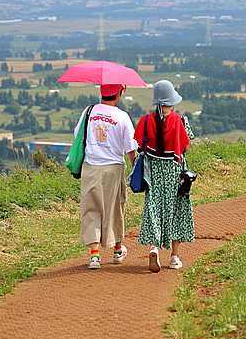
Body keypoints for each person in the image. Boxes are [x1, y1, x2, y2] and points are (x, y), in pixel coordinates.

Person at [134, 80, 195, 273]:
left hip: (153, 174)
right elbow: (186, 146)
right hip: (174, 174)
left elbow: (139, 146)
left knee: (153, 209)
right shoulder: (180, 120)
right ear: (171, 101)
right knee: (176, 211)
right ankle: (174, 258)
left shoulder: (145, 121)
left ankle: (153, 248)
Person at [75, 83, 138, 269]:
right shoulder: (122, 116)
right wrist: (135, 168)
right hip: (114, 168)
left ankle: (94, 256)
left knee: (91, 208)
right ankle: (117, 251)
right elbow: (130, 147)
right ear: (119, 94)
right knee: (114, 208)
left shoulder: (89, 111)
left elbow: (77, 134)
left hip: (91, 166)